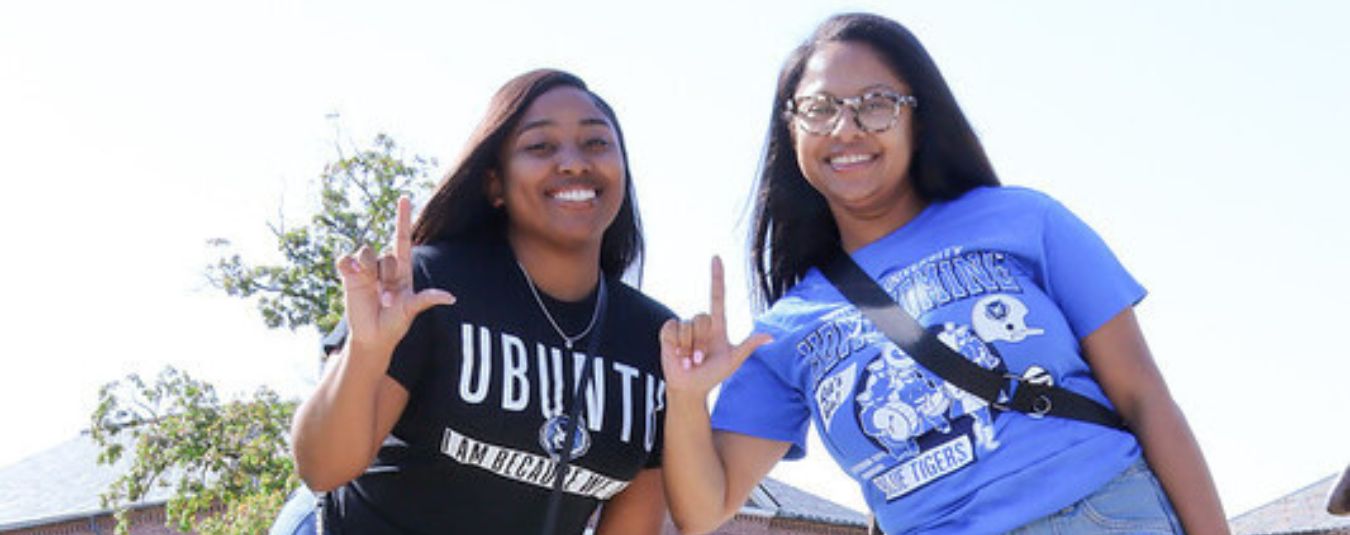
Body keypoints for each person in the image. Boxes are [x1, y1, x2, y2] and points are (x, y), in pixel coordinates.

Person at [659, 13, 1229, 535]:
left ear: (918, 115)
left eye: (877, 103)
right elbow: (704, 510)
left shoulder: (1025, 220)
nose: (847, 127)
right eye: (820, 108)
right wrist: (687, 398)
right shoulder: (784, 331)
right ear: (791, 129)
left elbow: (1145, 397)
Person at [288, 69, 673, 534]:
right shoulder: (430, 288)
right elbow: (322, 469)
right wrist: (366, 352)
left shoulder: (653, 340)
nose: (573, 163)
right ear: (494, 183)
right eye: (540, 147)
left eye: (596, 143)